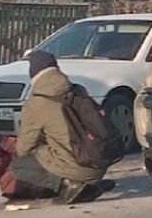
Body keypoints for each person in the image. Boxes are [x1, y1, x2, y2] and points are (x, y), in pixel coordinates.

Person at [11, 50, 111, 204]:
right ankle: (91, 182)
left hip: (77, 165)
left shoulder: (36, 103)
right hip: (101, 161)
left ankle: (68, 185)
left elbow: (24, 147)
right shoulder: (78, 90)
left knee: (20, 165)